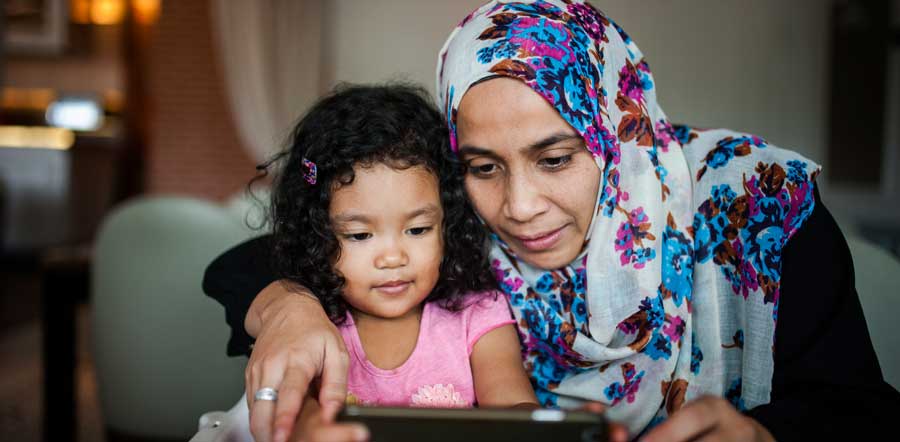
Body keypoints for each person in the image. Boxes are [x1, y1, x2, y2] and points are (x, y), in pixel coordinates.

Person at [204, 1, 900, 441]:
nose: (520, 206)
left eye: (556, 156)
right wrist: (289, 308)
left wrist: (759, 436)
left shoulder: (757, 204)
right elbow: (269, 253)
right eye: (482, 165)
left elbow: (864, 414)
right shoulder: (455, 225)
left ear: (613, 135)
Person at [234, 84, 539, 440]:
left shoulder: (478, 316)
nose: (393, 257)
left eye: (418, 229)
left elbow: (513, 406)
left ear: (449, 224)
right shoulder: (315, 322)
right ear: (317, 234)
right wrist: (309, 425)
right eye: (360, 236)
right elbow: (298, 404)